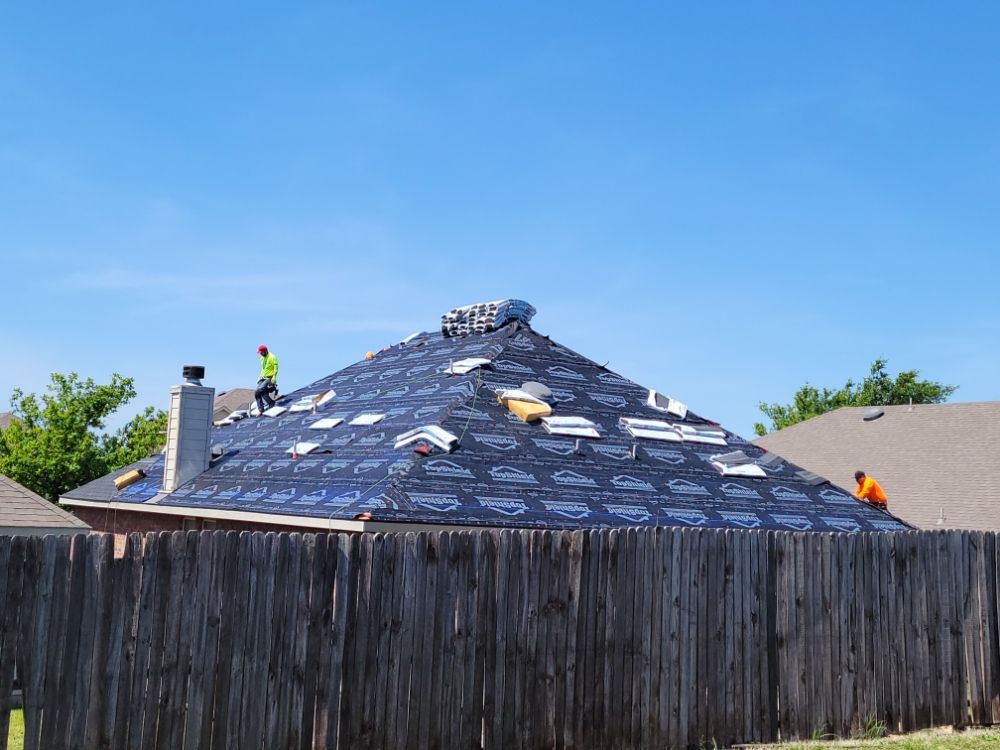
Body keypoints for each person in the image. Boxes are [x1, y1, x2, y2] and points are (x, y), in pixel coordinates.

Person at [255, 345, 279, 414]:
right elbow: (263, 369)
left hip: (270, 377)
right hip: (263, 377)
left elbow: (276, 368)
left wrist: (274, 377)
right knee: (257, 392)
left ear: (265, 351)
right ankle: (261, 410)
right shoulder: (262, 358)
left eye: (261, 352)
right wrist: (259, 378)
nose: (260, 354)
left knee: (261, 389)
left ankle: (271, 403)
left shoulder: (272, 357)